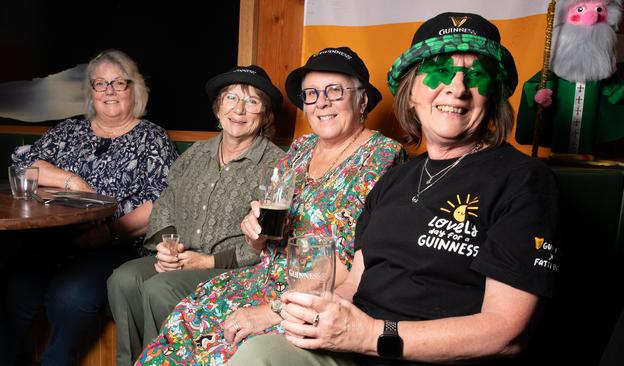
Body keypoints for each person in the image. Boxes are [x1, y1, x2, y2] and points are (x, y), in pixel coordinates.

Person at [228, 12, 560, 366]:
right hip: (350, 345)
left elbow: (506, 334)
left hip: (417, 354)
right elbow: (353, 286)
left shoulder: (523, 180)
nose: (457, 88)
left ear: (492, 95)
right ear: (411, 90)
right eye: (439, 72)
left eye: (476, 75)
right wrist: (289, 314)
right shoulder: (396, 179)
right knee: (253, 349)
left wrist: (370, 335)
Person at [136, 46, 405, 365]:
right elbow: (265, 238)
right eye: (312, 93)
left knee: (227, 352)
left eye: (335, 90)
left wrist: (271, 312)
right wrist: (254, 231)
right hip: (261, 281)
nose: (322, 102)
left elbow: (360, 267)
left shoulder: (384, 158)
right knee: (181, 330)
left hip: (318, 303)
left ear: (362, 100)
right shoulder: (302, 149)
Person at [3, 49, 178, 365]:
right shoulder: (69, 131)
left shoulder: (152, 138)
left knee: (69, 297)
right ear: (91, 92)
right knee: (16, 287)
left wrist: (110, 232)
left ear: (134, 90)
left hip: (115, 245)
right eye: (100, 84)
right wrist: (70, 180)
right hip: (53, 239)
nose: (109, 91)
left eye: (118, 83)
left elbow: (161, 203)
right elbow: (22, 164)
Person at [106, 65, 286, 366]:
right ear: (218, 109)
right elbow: (165, 206)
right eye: (230, 98)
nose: (239, 109)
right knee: (122, 279)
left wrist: (208, 261)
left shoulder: (276, 164)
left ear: (264, 115)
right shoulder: (196, 155)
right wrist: (168, 248)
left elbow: (267, 243)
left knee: (158, 288)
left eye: (252, 101)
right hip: (183, 257)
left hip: (231, 269)